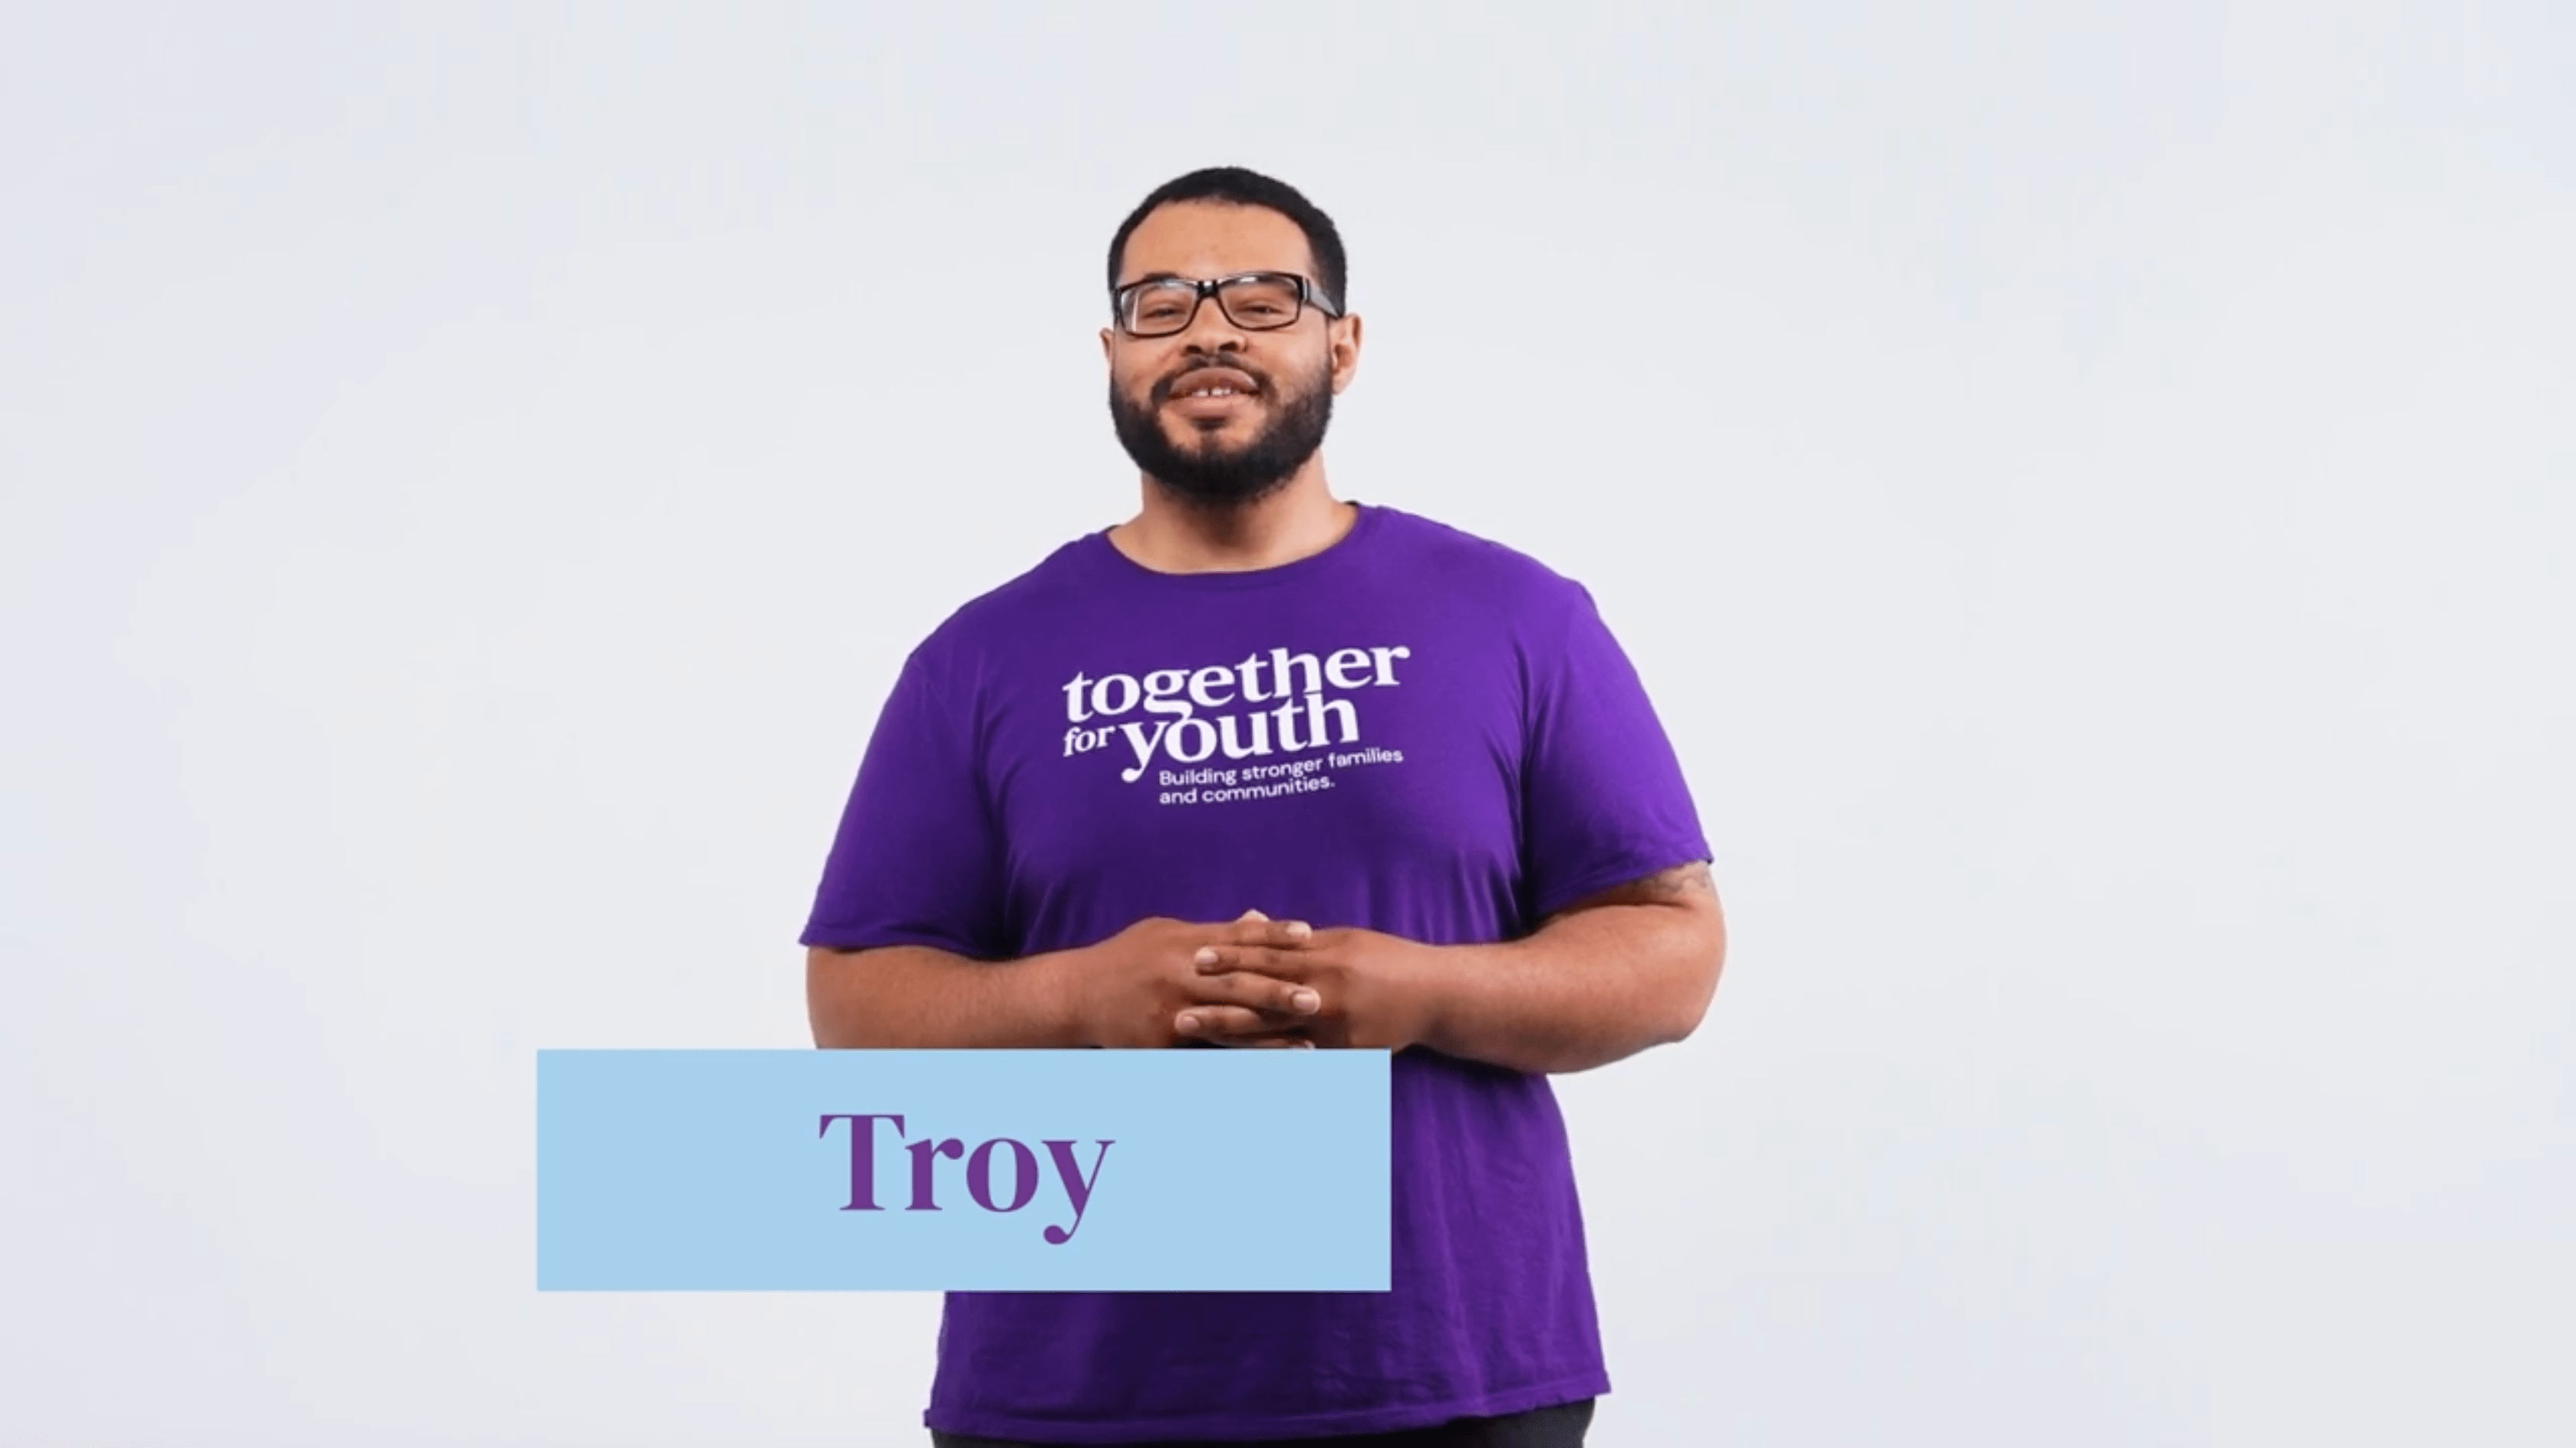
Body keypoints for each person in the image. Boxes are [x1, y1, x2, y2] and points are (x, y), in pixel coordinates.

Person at [800, 166, 1727, 1447]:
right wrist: (1080, 998)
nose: (1210, 329)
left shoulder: (1513, 616)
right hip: (1072, 1391)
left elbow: (1672, 950)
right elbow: (854, 1007)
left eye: (1262, 296)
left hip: (1448, 1374)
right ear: (1114, 351)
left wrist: (1420, 989)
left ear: (1340, 345)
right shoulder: (982, 658)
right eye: (1162, 301)